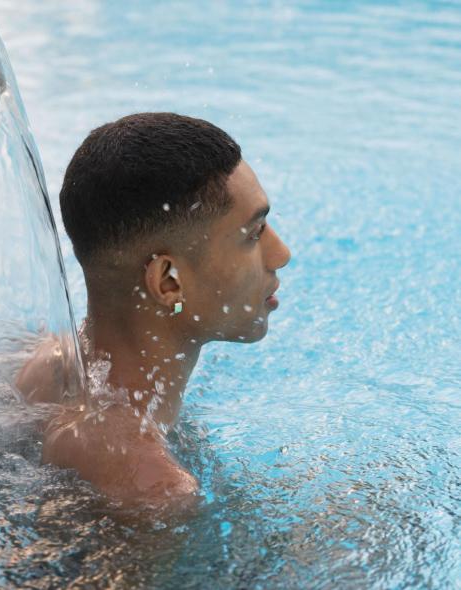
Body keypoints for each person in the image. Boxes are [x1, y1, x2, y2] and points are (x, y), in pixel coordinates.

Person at [15, 112, 291, 507]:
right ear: (168, 281)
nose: (281, 254)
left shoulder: (39, 362)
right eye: (253, 234)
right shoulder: (156, 491)